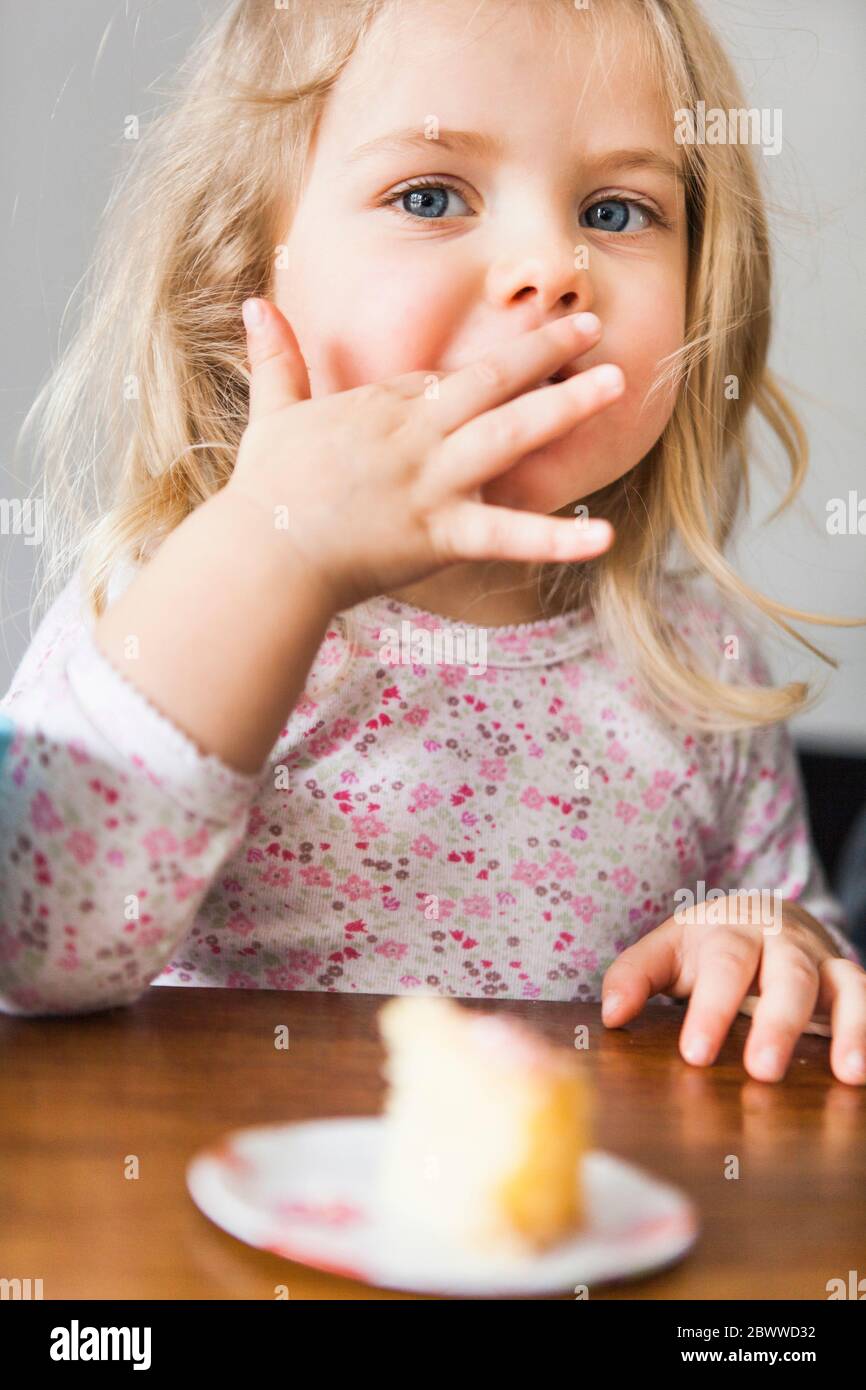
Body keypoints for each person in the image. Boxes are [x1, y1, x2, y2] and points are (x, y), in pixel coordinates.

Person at [2, 0, 864, 1087]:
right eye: (428, 195)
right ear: (243, 272)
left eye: (613, 209)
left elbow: (788, 924)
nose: (552, 265)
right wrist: (275, 556)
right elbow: (36, 951)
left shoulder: (696, 659)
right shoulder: (174, 593)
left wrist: (772, 944)